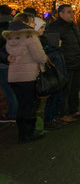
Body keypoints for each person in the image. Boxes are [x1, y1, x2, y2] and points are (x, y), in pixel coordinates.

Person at [3, 13, 48, 142]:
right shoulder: (30, 36)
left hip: (14, 77)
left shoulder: (11, 36)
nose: (34, 24)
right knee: (30, 106)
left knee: (21, 106)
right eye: (32, 21)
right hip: (28, 76)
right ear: (26, 23)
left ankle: (22, 134)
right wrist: (45, 59)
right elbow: (39, 56)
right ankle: (29, 133)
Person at [46, 4, 80, 120]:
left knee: (75, 87)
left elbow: (79, 42)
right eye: (69, 12)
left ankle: (73, 110)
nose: (72, 14)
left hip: (76, 62)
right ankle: (63, 114)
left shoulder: (72, 25)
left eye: (72, 12)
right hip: (65, 63)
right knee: (65, 89)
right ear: (61, 14)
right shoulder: (55, 27)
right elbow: (52, 46)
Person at [0, 5, 18, 123]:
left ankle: (12, 114)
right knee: (13, 89)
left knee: (7, 90)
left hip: (3, 63)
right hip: (14, 62)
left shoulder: (1, 27)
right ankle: (14, 112)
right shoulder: (15, 26)